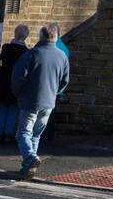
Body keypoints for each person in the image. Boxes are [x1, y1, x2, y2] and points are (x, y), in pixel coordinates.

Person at [9, 24, 70, 178]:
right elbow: (64, 80)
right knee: (35, 135)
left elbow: (17, 78)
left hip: (30, 100)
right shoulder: (62, 56)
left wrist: (18, 93)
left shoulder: (32, 54)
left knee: (23, 134)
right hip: (49, 102)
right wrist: (53, 93)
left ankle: (30, 158)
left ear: (41, 37)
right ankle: (28, 168)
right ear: (55, 37)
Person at [0, 24, 30, 144]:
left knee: (2, 109)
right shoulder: (26, 52)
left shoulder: (6, 48)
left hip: (3, 82)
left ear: (14, 33)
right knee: (12, 110)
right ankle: (8, 134)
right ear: (26, 36)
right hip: (16, 84)